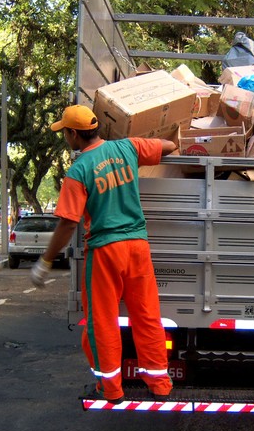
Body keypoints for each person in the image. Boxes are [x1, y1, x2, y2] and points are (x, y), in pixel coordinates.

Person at [30, 104, 178, 403]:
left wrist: (45, 261)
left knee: (102, 321)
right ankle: (160, 383)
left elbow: (68, 223)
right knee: (147, 315)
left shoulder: (79, 170)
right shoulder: (127, 147)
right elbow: (170, 146)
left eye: (65, 133)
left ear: (74, 134)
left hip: (105, 251)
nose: (65, 138)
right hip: (137, 246)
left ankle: (111, 389)